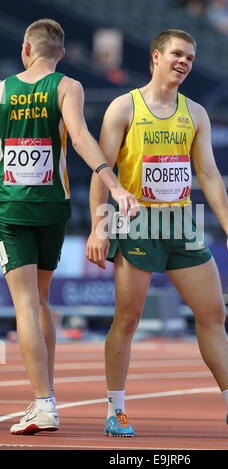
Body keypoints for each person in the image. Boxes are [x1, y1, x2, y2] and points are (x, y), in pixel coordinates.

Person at [86, 29, 228, 437]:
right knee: (127, 319)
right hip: (137, 222)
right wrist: (98, 227)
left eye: (191, 58)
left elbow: (209, 174)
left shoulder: (195, 112)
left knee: (213, 314)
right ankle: (116, 410)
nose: (184, 62)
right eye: (177, 54)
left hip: (182, 223)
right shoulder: (123, 108)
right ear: (156, 56)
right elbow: (101, 172)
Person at [0, 18, 139, 435]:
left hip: (11, 209)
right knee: (42, 301)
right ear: (60, 54)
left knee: (24, 305)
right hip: (54, 207)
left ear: (26, 48)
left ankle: (44, 403)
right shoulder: (67, 86)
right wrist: (112, 184)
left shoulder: (4, 90)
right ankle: (46, 396)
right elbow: (79, 137)